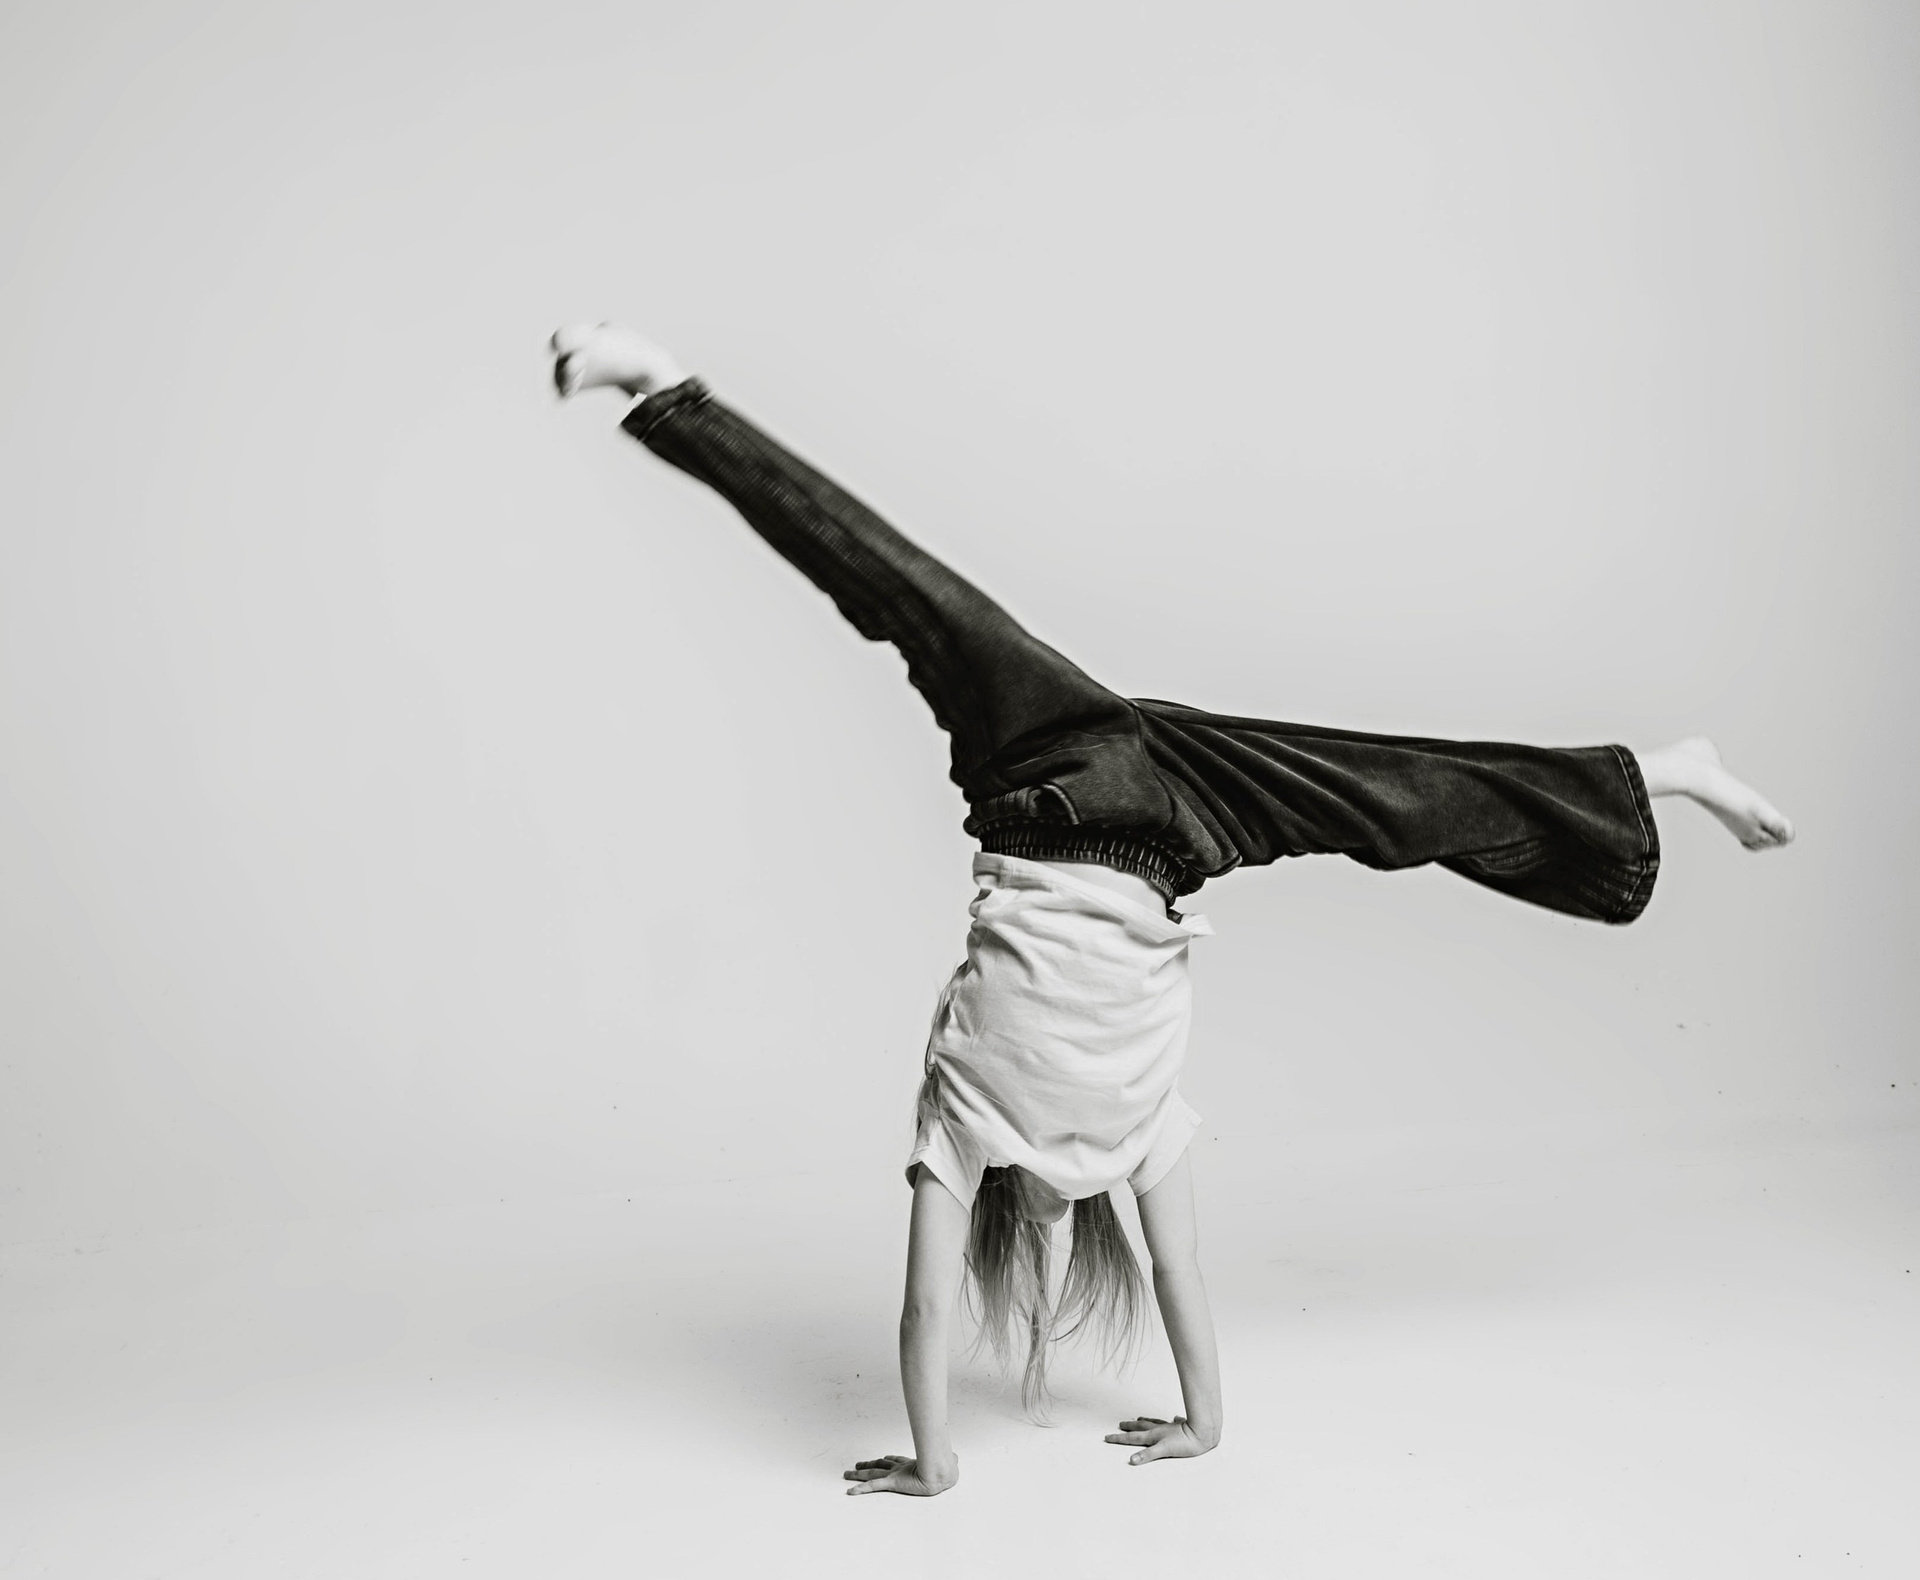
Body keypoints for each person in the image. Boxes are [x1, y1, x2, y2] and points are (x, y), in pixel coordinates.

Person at [549, 322, 1794, 1499]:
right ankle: (1661, 776)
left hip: (1048, 778)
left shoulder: (971, 1135)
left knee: (897, 585)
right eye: (1058, 1236)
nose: (1047, 1226)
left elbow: (930, 1311)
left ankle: (658, 384)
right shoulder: (1124, 1135)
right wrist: (1203, 1423)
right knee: (1400, 799)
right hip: (1172, 822)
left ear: (1006, 1217)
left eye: (1028, 1237)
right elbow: (1175, 1269)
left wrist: (938, 1463)